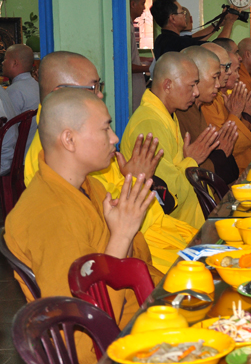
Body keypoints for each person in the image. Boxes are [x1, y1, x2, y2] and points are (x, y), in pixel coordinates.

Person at [5, 88, 162, 364]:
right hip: (117, 346)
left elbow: (135, 260)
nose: (114, 138)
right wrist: (122, 235)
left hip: (141, 316)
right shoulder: (50, 215)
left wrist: (124, 234)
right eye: (105, 128)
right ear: (69, 139)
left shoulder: (90, 187)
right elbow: (82, 331)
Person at [24, 51, 197, 272]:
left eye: (100, 86)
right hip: (134, 249)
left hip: (152, 233)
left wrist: (131, 179)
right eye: (92, 87)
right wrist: (134, 180)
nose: (99, 94)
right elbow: (102, 237)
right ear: (61, 93)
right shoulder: (53, 160)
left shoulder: (82, 140)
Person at [122, 52, 217, 229]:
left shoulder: (166, 115)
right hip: (171, 231)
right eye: (192, 85)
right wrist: (191, 160)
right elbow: (168, 194)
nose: (196, 92)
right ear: (167, 85)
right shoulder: (149, 123)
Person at [177, 46, 239, 184]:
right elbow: (188, 169)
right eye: (214, 77)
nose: (218, 85)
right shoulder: (181, 112)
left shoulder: (198, 107)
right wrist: (220, 155)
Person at [202, 39, 251, 172]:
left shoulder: (225, 96)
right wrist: (240, 114)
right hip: (235, 170)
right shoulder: (206, 103)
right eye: (227, 68)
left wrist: (244, 115)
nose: (230, 73)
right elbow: (225, 146)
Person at [150, 0, 238, 59]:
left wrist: (218, 24)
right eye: (182, 12)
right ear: (172, 18)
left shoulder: (162, 39)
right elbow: (219, 48)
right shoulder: (175, 43)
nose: (185, 15)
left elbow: (194, 39)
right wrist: (230, 22)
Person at [2, 43, 37, 155]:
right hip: (33, 152)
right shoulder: (36, 85)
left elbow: (7, 132)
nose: (2, 62)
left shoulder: (14, 91)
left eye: (5, 59)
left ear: (15, 63)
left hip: (18, 157)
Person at [129, 0, 151, 111]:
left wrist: (145, 59)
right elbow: (126, 65)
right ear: (133, 4)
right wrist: (148, 68)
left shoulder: (130, 25)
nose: (144, 8)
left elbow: (131, 56)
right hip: (131, 85)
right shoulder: (125, 28)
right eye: (142, 3)